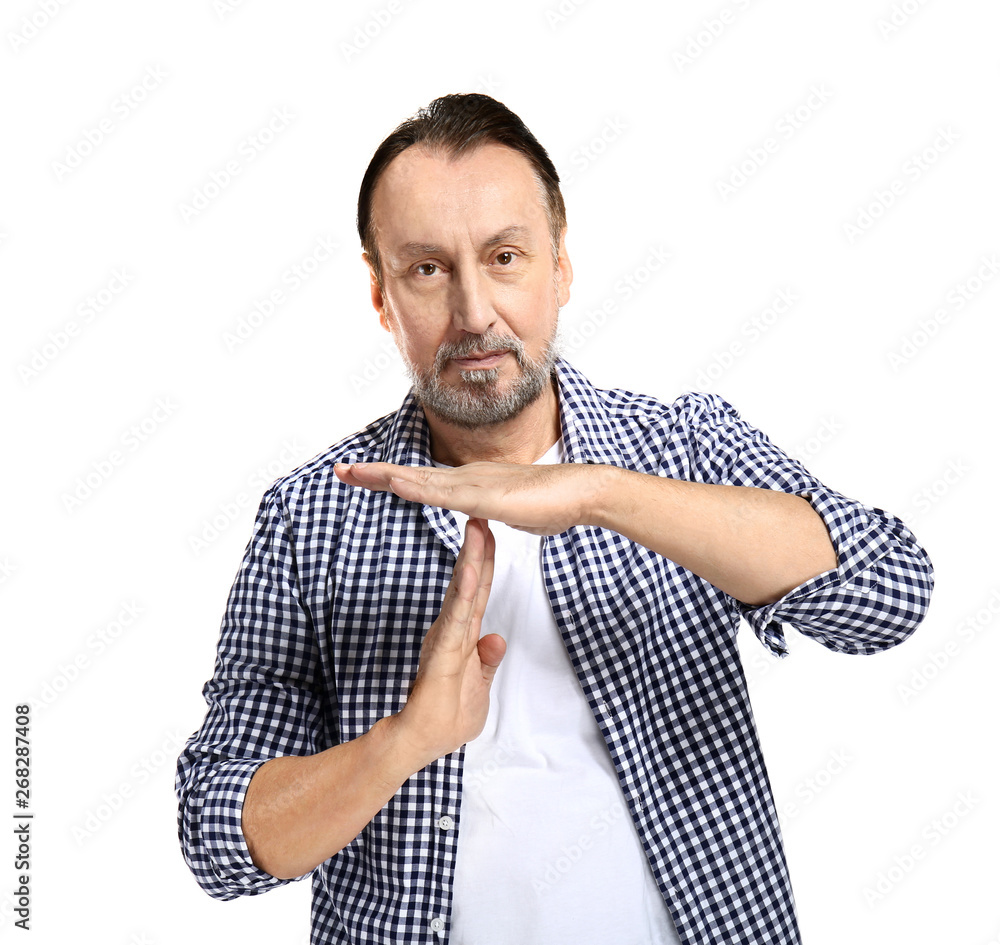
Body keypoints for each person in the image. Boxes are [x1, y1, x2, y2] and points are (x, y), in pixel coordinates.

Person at [175, 93, 934, 945]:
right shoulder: (311, 516)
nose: (473, 313)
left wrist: (601, 495)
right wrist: (401, 742)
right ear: (381, 295)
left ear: (561, 266)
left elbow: (891, 590)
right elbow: (216, 835)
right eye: (427, 269)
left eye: (504, 257)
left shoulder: (682, 447)